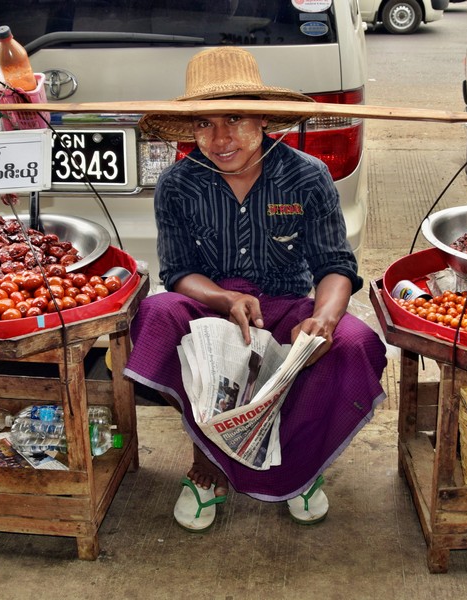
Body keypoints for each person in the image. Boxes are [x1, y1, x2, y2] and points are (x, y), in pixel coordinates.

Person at [123, 46, 387, 531]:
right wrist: (224, 299)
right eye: (205, 123)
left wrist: (323, 319)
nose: (220, 138)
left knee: (355, 342)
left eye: (236, 119)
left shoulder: (308, 177)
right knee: (156, 315)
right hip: (211, 308)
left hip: (287, 306)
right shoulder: (178, 185)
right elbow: (179, 271)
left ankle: (300, 466)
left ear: (262, 118)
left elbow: (335, 265)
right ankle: (208, 468)